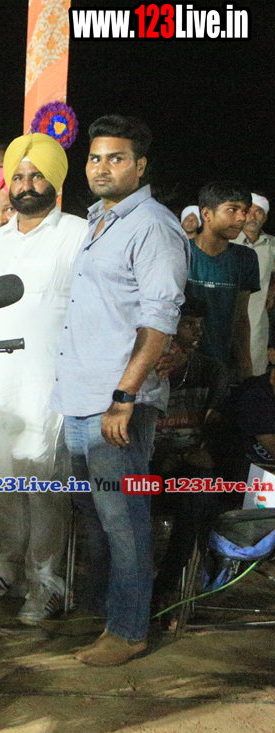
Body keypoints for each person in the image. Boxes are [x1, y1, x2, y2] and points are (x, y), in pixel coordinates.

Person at [47, 114, 189, 666]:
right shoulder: (99, 221)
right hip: (80, 398)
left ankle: (129, 631)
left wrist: (125, 396)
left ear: (140, 166)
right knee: (97, 519)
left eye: (116, 158)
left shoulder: (153, 225)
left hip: (116, 404)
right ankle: (111, 615)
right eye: (94, 158)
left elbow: (159, 319)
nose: (101, 168)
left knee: (124, 523)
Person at [0, 133, 86, 624]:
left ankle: (46, 581)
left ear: (56, 181)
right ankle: (4, 567)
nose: (26, 185)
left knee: (43, 483)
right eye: (18, 177)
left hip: (48, 381)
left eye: (36, 176)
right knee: (1, 479)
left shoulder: (78, 234)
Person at [150, 297, 229, 610]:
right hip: (147, 468)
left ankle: (166, 587)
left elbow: (216, 429)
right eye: (189, 324)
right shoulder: (147, 367)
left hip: (187, 470)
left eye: (199, 325)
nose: (198, 332)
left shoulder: (210, 371)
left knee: (200, 492)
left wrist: (199, 455)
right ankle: (142, 589)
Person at [185, 182, 259, 379]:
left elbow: (240, 316)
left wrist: (245, 363)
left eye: (245, 211)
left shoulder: (245, 258)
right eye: (232, 209)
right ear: (206, 214)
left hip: (223, 363)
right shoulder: (181, 252)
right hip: (181, 362)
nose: (241, 218)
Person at [234, 193, 274, 375]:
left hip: (256, 323)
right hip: (226, 322)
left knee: (254, 375)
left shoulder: (271, 244)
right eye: (248, 211)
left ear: (265, 217)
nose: (252, 217)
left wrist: (272, 289)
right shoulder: (228, 241)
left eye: (259, 212)